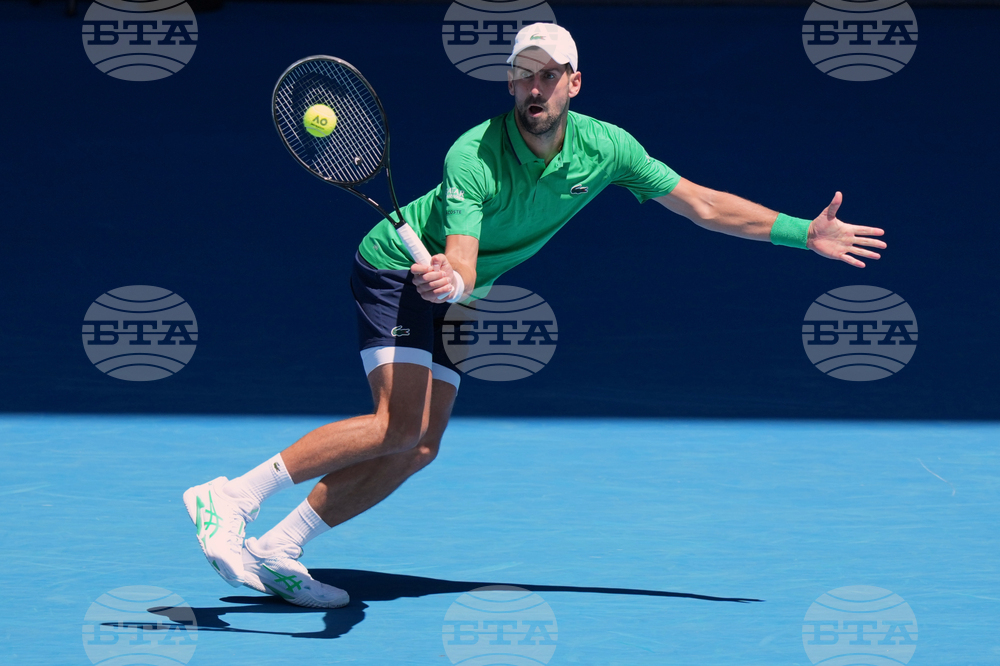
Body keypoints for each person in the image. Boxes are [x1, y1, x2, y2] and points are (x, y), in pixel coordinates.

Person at [183, 23, 887, 608]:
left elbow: (701, 204)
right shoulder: (475, 155)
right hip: (398, 271)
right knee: (392, 423)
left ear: (573, 83)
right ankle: (232, 498)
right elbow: (460, 254)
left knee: (421, 445)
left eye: (547, 76)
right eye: (521, 76)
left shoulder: (607, 148)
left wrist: (804, 232)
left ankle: (280, 548)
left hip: (462, 291)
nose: (532, 89)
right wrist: (449, 278)